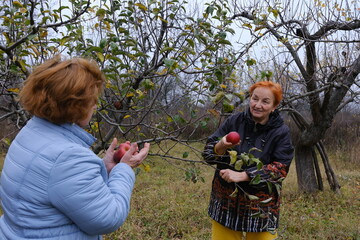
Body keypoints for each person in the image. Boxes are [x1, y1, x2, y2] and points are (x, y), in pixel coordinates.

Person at [0, 55, 150, 239]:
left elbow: (57, 184)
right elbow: (109, 218)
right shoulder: (67, 156)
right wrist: (125, 169)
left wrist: (104, 168)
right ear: (73, 104)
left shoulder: (32, 132)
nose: (95, 105)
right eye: (91, 100)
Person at [202, 81, 294, 240]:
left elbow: (280, 169)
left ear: (274, 106)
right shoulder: (234, 121)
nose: (258, 105)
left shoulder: (281, 132)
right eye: (254, 98)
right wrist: (221, 146)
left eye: (265, 101)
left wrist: (245, 175)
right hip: (226, 201)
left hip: (261, 205)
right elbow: (207, 153)